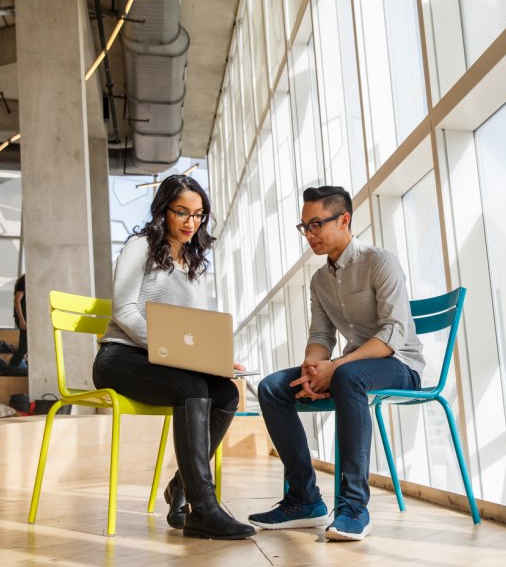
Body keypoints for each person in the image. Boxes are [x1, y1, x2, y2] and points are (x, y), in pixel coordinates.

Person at [248, 186, 425, 541]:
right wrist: (313, 370)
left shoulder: (380, 261)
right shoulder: (319, 280)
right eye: (304, 227)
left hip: (399, 364)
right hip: (351, 368)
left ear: (344, 219)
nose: (309, 234)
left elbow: (393, 333)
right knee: (271, 387)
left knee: (346, 376)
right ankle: (304, 499)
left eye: (316, 225)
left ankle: (354, 506)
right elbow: (321, 336)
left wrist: (336, 367)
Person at [92, 174, 255, 540]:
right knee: (192, 387)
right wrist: (175, 353)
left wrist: (216, 359)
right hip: (120, 358)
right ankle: (204, 508)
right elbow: (124, 311)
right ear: (163, 209)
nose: (190, 223)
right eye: (182, 212)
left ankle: (181, 487)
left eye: (198, 215)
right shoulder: (141, 246)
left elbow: (192, 330)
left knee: (226, 392)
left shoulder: (194, 263)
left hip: (166, 361)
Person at [8, 274, 27, 367]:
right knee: (23, 347)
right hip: (23, 319)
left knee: (25, 347)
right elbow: (17, 301)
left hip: (27, 318)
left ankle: (13, 367)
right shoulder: (24, 282)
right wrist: (22, 320)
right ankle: (11, 367)